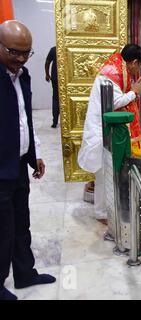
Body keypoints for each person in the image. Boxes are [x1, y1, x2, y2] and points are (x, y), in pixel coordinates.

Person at [0, 20, 56, 300]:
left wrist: (35, 155)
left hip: (19, 164)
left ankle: (25, 274)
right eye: (13, 52)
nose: (20, 59)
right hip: (0, 169)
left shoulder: (23, 76)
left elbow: (24, 120)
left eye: (26, 53)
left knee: (22, 222)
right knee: (3, 229)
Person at [78, 44, 141, 224]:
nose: (137, 70)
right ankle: (102, 213)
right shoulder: (112, 75)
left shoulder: (115, 69)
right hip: (101, 131)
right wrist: (135, 92)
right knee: (104, 173)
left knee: (108, 171)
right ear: (133, 62)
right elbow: (116, 102)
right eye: (138, 65)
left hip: (105, 129)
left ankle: (108, 207)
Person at [45, 46, 59, 128]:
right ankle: (55, 121)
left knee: (56, 98)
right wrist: (47, 74)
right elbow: (47, 62)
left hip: (55, 78)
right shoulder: (68, 47)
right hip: (63, 78)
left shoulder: (54, 49)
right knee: (57, 99)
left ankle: (55, 122)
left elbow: (47, 62)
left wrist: (47, 74)